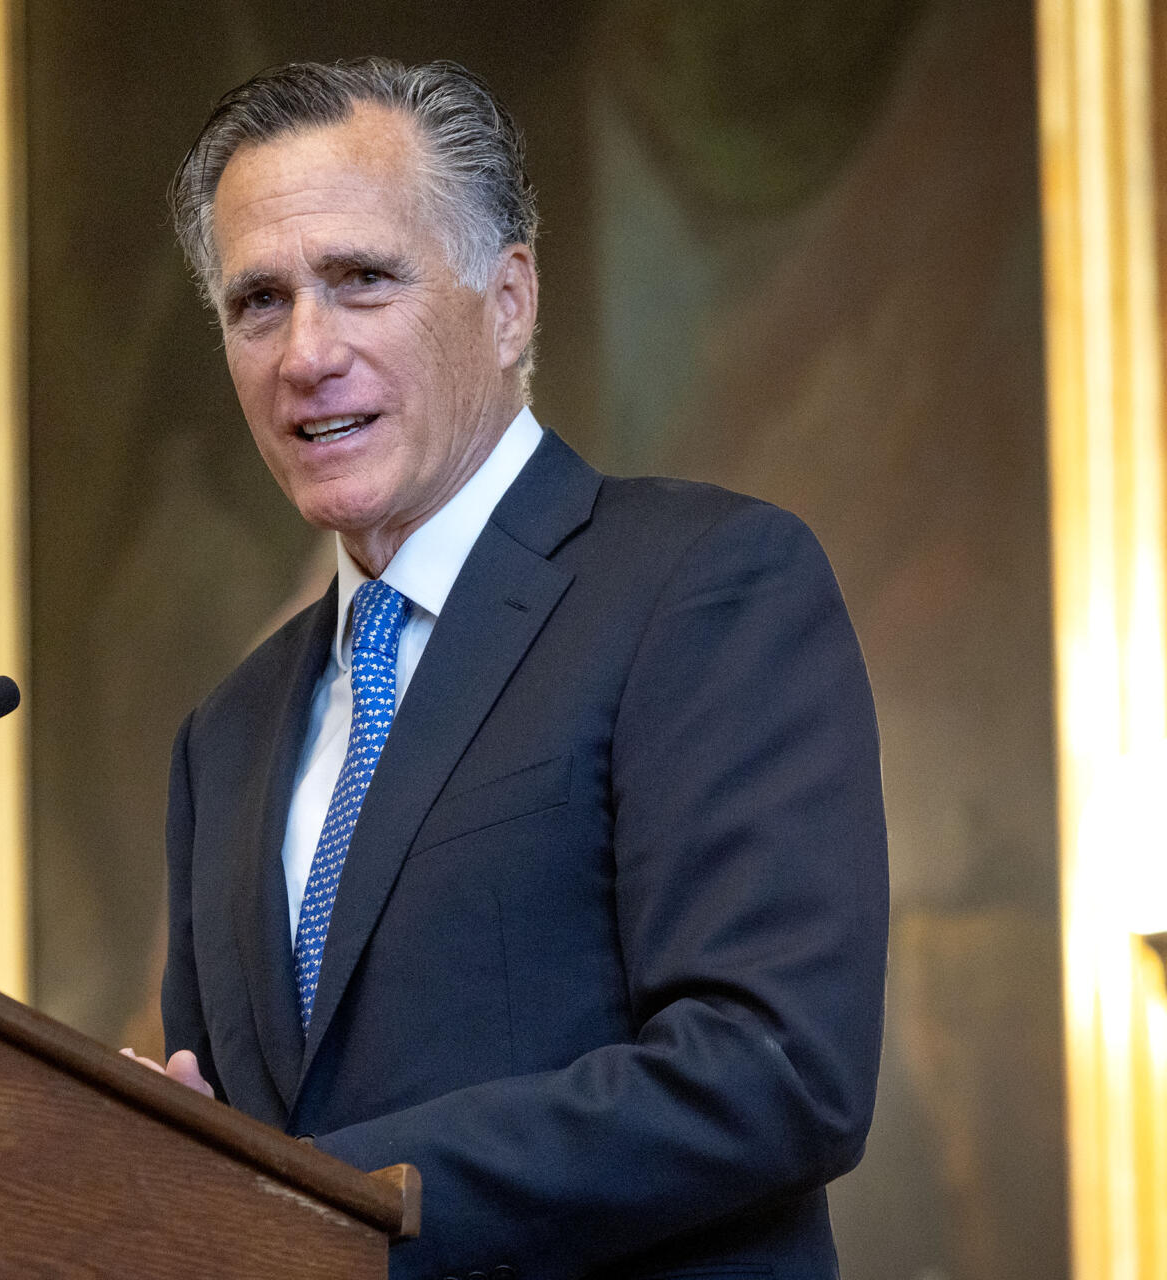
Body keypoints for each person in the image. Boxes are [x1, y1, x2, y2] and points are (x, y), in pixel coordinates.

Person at [125, 58, 887, 1280]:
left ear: (511, 298)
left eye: (361, 279)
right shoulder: (222, 738)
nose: (304, 352)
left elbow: (775, 1066)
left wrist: (337, 1202)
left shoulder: (703, 586)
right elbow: (236, 1160)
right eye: (257, 302)